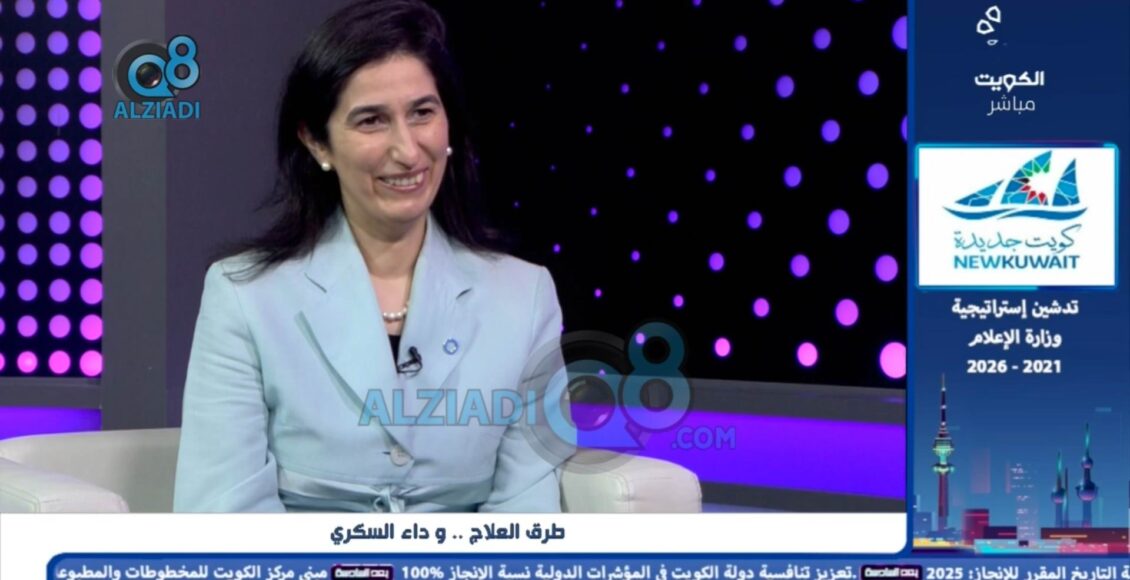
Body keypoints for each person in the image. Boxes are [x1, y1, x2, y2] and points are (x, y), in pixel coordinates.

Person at [173, 0, 575, 512]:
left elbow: (527, 510)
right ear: (317, 142)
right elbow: (222, 513)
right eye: (371, 121)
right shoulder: (245, 297)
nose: (407, 151)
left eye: (423, 113)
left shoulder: (524, 296)